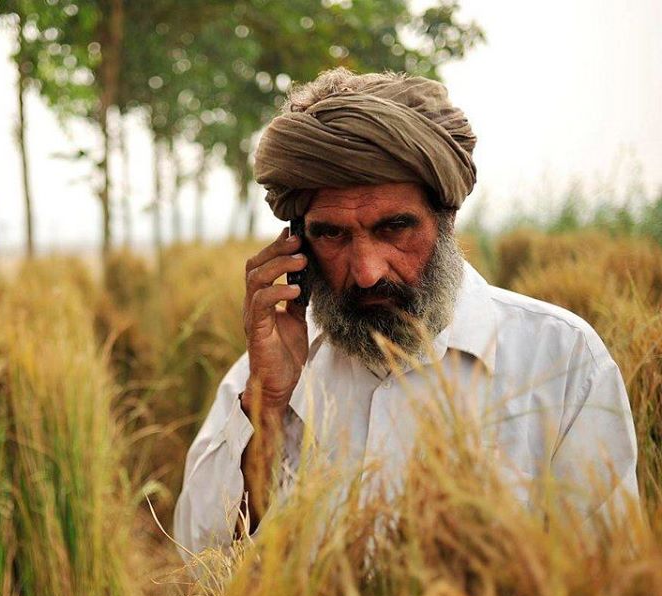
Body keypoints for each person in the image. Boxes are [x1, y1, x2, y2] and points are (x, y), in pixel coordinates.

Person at [173, 67, 639, 554]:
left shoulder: (561, 361)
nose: (368, 271)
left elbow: (605, 581)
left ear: (445, 220)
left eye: (394, 228)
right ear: (298, 245)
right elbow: (197, 559)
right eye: (332, 234)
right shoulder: (265, 374)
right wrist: (267, 407)